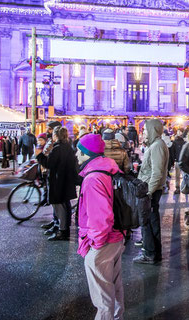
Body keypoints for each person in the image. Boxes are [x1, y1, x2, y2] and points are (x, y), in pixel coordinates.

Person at [76, 133, 125, 320]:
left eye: (79, 151)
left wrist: (95, 244)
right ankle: (118, 317)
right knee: (114, 284)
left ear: (87, 153)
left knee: (102, 294)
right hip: (117, 236)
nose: (76, 155)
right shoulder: (110, 168)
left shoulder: (93, 178)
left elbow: (101, 217)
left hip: (103, 241)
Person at [133, 119, 169, 265]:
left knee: (146, 221)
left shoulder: (157, 146)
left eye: (146, 130)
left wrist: (148, 191)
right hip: (151, 188)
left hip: (150, 189)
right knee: (151, 221)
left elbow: (157, 172)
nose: (144, 132)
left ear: (153, 130)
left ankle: (149, 253)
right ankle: (154, 252)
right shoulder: (155, 145)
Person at [36, 126, 79, 241]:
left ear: (56, 136)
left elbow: (49, 163)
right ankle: (59, 227)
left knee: (59, 206)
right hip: (65, 180)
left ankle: (62, 231)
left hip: (58, 181)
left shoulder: (58, 148)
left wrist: (39, 155)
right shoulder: (67, 147)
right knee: (64, 205)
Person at [171, 128, 186, 194]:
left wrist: (173, 160)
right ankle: (185, 186)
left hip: (177, 161)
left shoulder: (174, 142)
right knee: (184, 175)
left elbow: (172, 152)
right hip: (184, 161)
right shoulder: (185, 142)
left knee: (177, 175)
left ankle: (177, 188)